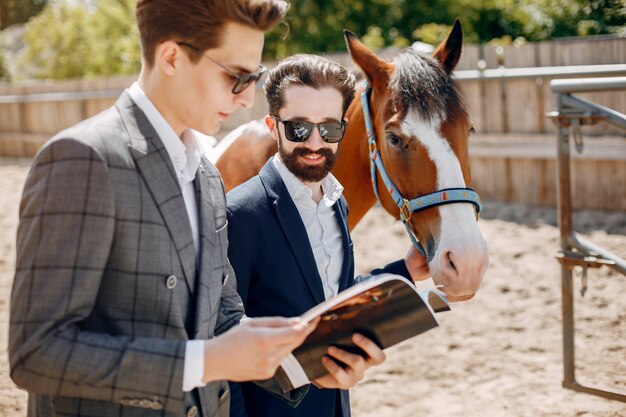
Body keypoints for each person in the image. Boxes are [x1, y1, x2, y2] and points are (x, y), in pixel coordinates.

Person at [8, 2, 321, 417]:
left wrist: (307, 363)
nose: (248, 99)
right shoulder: (83, 159)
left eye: (255, 77)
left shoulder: (207, 175)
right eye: (236, 76)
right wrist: (206, 362)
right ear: (171, 56)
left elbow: (221, 315)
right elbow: (37, 353)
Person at [226, 54, 429, 417]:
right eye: (299, 128)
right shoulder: (238, 214)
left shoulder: (337, 203)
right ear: (273, 126)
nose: (316, 143)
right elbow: (223, 344)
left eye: (330, 129)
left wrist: (405, 271)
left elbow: (330, 296)